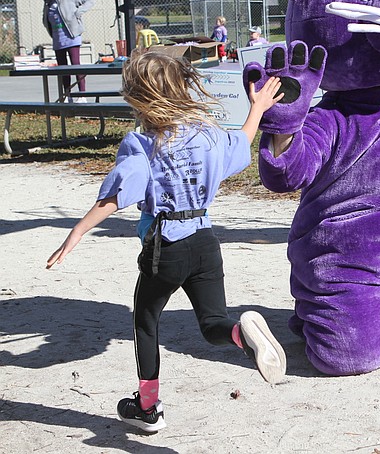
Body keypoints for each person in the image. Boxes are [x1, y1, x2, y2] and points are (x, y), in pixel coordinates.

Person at [46, 51, 288, 433]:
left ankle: (147, 406)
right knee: (213, 325)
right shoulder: (208, 136)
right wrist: (256, 108)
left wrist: (77, 231)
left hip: (167, 247)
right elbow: (240, 146)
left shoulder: (143, 143)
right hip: (206, 241)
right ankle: (243, 335)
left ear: (140, 97)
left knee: (145, 319)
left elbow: (118, 193)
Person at [42, 0, 94, 102]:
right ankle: (67, 95)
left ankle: (82, 95)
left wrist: (78, 13)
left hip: (72, 38)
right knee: (63, 69)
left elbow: (89, 1)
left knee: (76, 66)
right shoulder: (48, 2)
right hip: (58, 39)